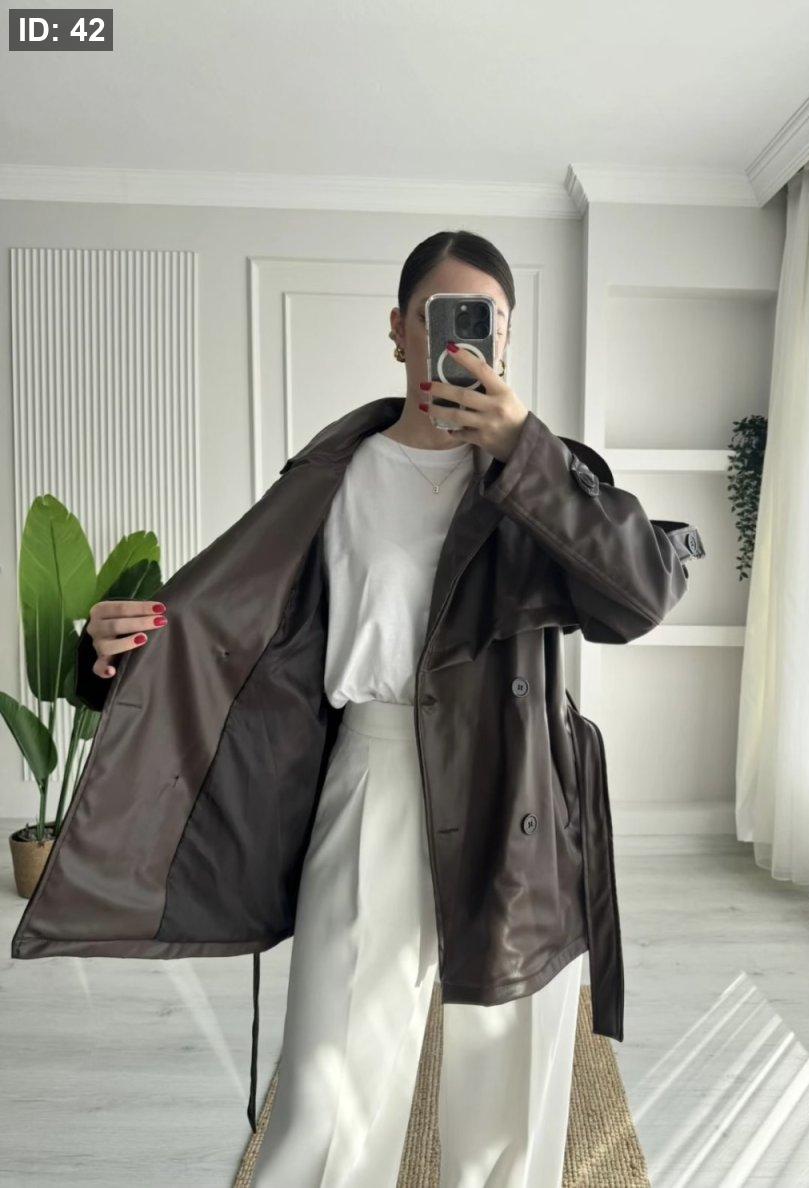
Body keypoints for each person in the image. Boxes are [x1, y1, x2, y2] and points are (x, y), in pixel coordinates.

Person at [79, 231, 592, 1187]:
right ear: (399, 330)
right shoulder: (337, 478)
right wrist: (113, 656)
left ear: (508, 341)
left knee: (506, 1095)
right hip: (377, 767)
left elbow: (636, 598)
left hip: (515, 777)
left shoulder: (547, 476)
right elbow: (231, 631)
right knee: (330, 1086)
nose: (463, 342)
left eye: (487, 323)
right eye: (441, 317)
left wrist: (528, 453)